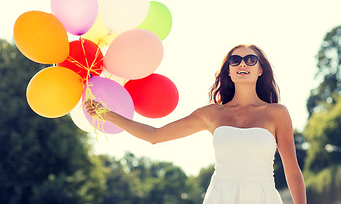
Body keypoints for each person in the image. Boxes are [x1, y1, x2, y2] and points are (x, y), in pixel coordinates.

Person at [86, 44, 307, 204]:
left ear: (260, 69)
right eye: (235, 60)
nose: (242, 63)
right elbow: (155, 135)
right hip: (221, 196)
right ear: (228, 70)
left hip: (263, 196)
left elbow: (292, 170)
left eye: (251, 59)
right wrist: (109, 115)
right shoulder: (211, 114)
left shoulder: (277, 113)